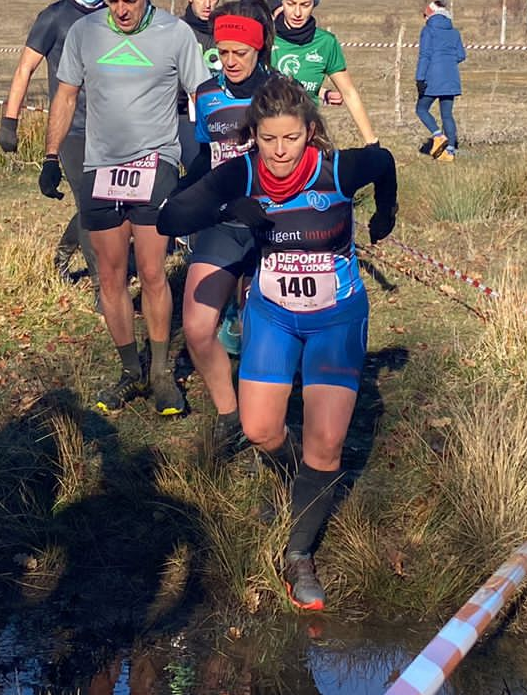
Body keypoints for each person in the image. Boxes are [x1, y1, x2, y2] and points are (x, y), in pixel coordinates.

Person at [157, 76, 397, 611]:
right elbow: (172, 215)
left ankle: (299, 554)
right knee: (260, 429)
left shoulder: (337, 169)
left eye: (291, 139)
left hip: (336, 318)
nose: (281, 152)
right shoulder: (241, 172)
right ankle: (304, 480)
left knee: (327, 445)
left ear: (309, 132)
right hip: (273, 316)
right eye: (269, 140)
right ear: (254, 137)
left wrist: (386, 213)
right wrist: (228, 210)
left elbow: (383, 162)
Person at [39, 0, 216, 417]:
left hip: (154, 164)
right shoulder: (85, 32)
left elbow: (204, 93)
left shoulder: (176, 34)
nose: (119, 11)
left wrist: (211, 150)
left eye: (129, 2)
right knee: (113, 275)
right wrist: (51, 154)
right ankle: (129, 370)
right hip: (100, 167)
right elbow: (66, 94)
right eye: (113, 1)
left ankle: (160, 372)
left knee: (154, 271)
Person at [178, 0, 276, 453]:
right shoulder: (208, 95)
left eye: (241, 52)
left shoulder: (279, 95)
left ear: (259, 51)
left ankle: (270, 424)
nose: (231, 61)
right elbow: (205, 157)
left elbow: (306, 158)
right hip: (221, 224)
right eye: (223, 52)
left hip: (271, 226)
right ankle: (229, 416)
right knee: (198, 327)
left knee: (262, 333)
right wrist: (182, 195)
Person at [0, 0, 107, 287]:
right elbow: (24, 70)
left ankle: (62, 253)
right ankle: (103, 288)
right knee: (91, 203)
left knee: (106, 202)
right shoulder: (54, 17)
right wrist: (9, 122)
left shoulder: (112, 15)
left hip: (110, 129)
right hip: (71, 129)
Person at [269, 0, 379, 146]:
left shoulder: (326, 43)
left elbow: (349, 92)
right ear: (281, 1)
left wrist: (371, 141)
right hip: (270, 137)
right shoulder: (266, 37)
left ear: (314, 3)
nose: (297, 13)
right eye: (291, 3)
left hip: (307, 135)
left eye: (305, 5)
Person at [176, 0, 223, 174]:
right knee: (200, 172)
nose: (207, 3)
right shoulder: (177, 30)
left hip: (221, 110)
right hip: (185, 115)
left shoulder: (224, 31)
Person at [414, 0, 467, 162]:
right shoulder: (454, 31)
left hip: (432, 76)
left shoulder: (428, 30)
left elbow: (425, 55)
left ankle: (438, 136)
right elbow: (461, 55)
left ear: (430, 14)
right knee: (447, 115)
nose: (424, 18)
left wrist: (420, 77)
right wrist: (448, 62)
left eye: (425, 14)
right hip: (451, 77)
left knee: (421, 109)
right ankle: (449, 152)